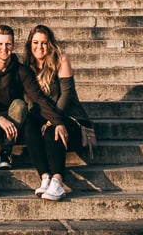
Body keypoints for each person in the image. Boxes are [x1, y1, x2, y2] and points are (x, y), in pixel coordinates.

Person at [0, 24, 67, 198]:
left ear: (13, 46)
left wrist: (59, 122)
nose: (4, 48)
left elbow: (38, 98)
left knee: (20, 105)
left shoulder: (21, 70)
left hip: (13, 125)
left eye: (8, 44)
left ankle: (5, 152)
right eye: (0, 44)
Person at [22, 24, 91, 201]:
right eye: (35, 42)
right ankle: (45, 177)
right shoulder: (27, 68)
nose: (40, 47)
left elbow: (66, 96)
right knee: (29, 125)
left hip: (71, 119)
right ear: (30, 45)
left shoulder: (61, 60)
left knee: (53, 131)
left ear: (50, 44)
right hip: (46, 119)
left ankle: (58, 181)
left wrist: (53, 120)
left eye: (44, 43)